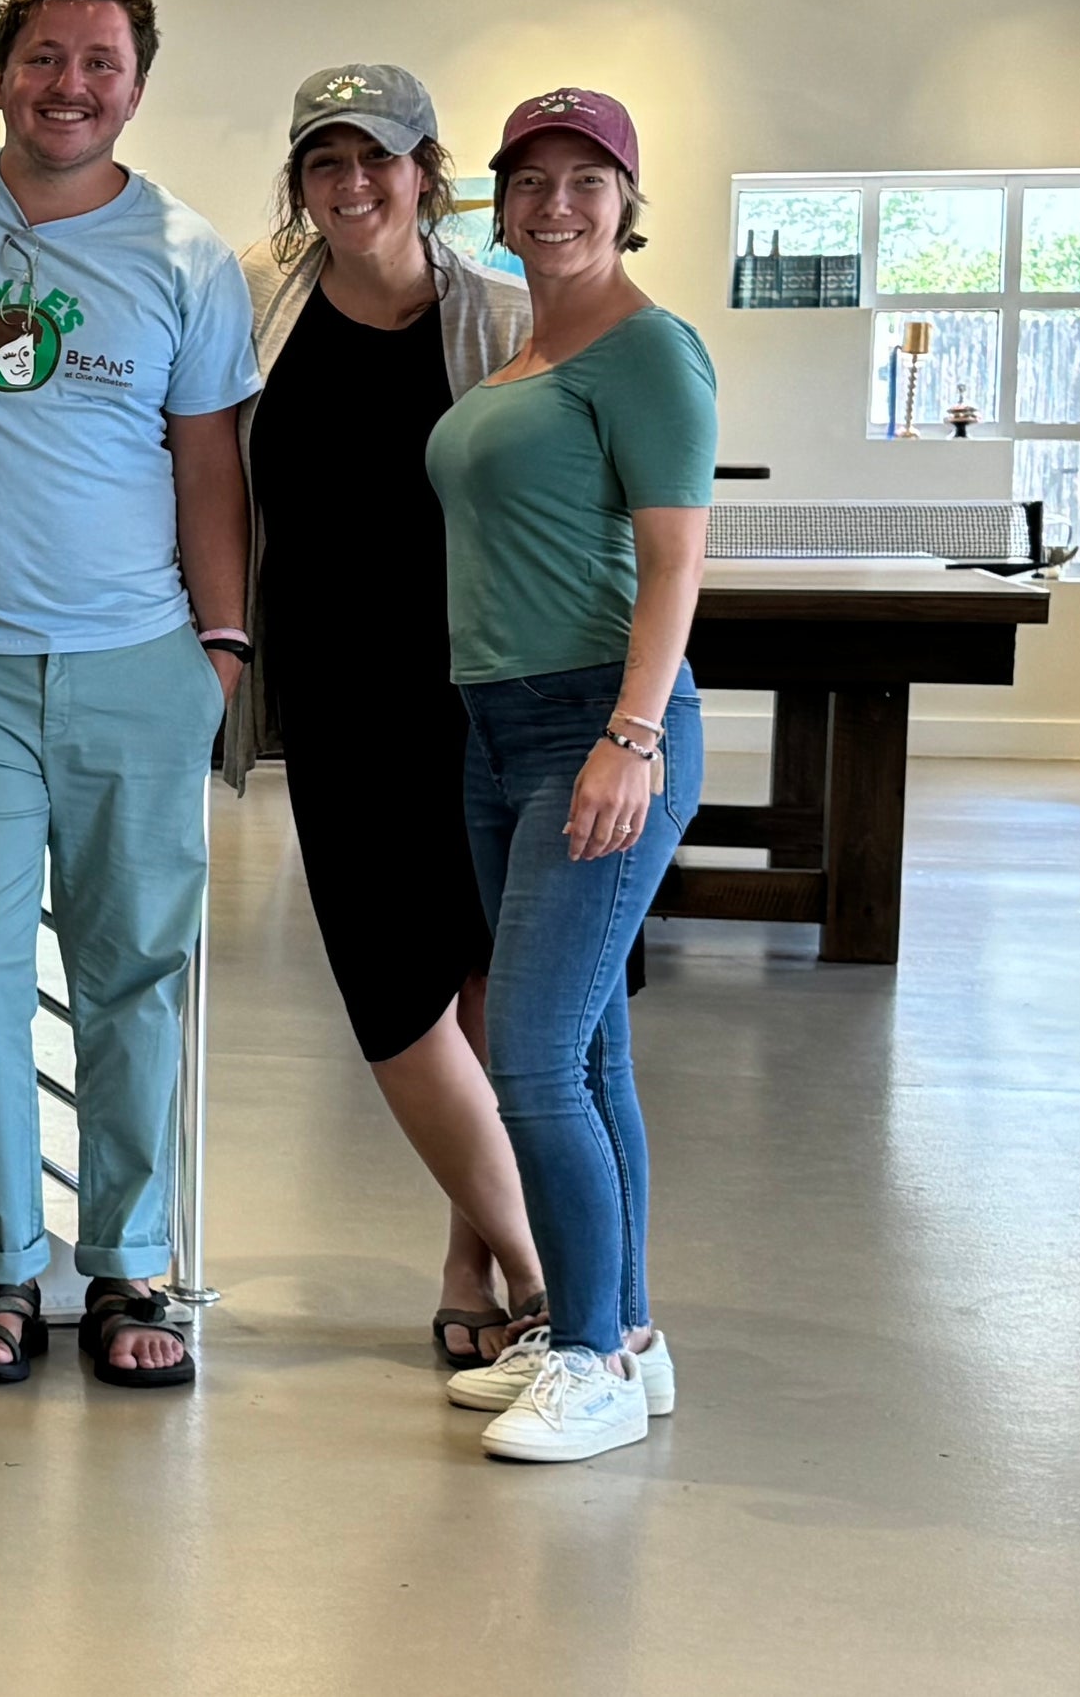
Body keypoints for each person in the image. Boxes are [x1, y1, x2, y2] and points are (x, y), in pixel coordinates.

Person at [0, 0, 255, 1391]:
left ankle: (132, 1256)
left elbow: (210, 466)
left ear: (136, 85)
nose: (69, 83)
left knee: (129, 974)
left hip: (137, 661)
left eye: (99, 61)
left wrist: (219, 651)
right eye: (43, 56)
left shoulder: (189, 258)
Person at [228, 64, 542, 1373]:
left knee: (480, 973)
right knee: (387, 988)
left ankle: (478, 1258)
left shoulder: (505, 314)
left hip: (475, 689)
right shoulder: (257, 298)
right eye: (326, 162)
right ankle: (553, 1273)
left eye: (380, 158)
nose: (354, 184)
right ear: (302, 184)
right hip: (335, 695)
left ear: (431, 171)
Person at [422, 87, 712, 1465]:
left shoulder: (651, 350)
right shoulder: (532, 350)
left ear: (627, 196)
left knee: (529, 1053)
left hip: (598, 722)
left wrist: (635, 734)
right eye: (529, 179)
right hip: (497, 727)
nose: (555, 203)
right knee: (587, 1048)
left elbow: (675, 562)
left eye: (585, 178)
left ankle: (587, 1351)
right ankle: (626, 1329)